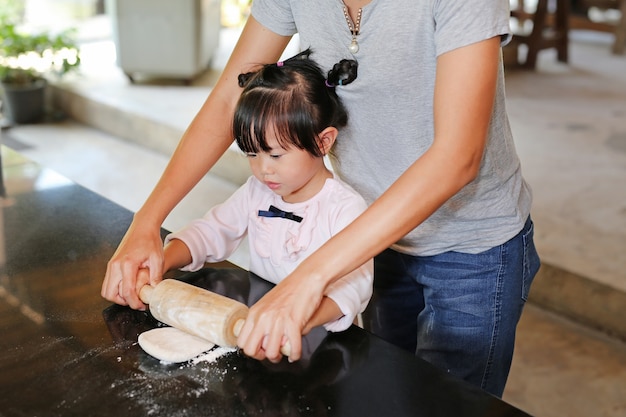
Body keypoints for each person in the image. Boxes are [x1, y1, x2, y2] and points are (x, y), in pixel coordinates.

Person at [102, 0, 540, 397]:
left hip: (472, 247)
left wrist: (307, 279)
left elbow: (456, 156)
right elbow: (227, 102)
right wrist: (148, 222)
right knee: (390, 391)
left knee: (449, 405)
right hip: (373, 237)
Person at [114, 49, 373, 335]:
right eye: (252, 154)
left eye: (275, 156)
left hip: (323, 341)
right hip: (261, 328)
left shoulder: (345, 208)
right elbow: (211, 232)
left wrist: (295, 319)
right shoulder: (257, 191)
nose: (263, 170)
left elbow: (352, 288)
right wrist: (161, 262)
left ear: (323, 141)